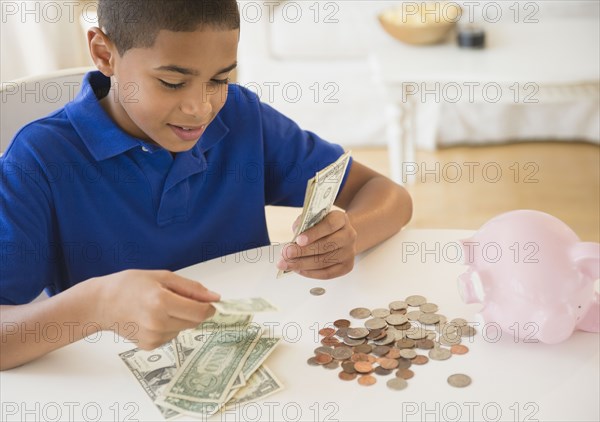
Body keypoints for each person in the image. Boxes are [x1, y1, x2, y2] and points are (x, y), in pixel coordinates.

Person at [0, 0, 412, 370]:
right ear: (105, 54)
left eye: (219, 79)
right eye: (173, 83)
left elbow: (389, 196)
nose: (201, 109)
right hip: (112, 387)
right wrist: (98, 304)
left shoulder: (243, 118)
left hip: (262, 363)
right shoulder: (38, 159)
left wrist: (351, 235)